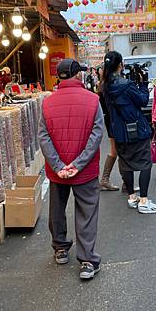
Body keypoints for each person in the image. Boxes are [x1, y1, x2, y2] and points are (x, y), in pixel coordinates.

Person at [38, 58, 104, 280]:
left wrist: (58, 165)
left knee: (57, 208)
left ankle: (60, 248)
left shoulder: (47, 103)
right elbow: (96, 136)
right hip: (84, 171)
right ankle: (87, 261)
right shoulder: (93, 100)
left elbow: (43, 137)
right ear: (78, 75)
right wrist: (78, 164)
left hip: (57, 171)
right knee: (87, 211)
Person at [102, 51, 156, 214]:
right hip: (136, 129)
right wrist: (143, 84)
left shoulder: (105, 86)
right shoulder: (126, 85)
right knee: (145, 163)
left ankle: (132, 197)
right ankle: (143, 201)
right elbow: (143, 101)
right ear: (120, 65)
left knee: (126, 165)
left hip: (118, 131)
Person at [97, 67, 120, 192]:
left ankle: (105, 180)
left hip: (109, 120)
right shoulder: (113, 84)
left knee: (116, 150)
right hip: (115, 120)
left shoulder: (102, 85)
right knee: (118, 150)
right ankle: (106, 180)